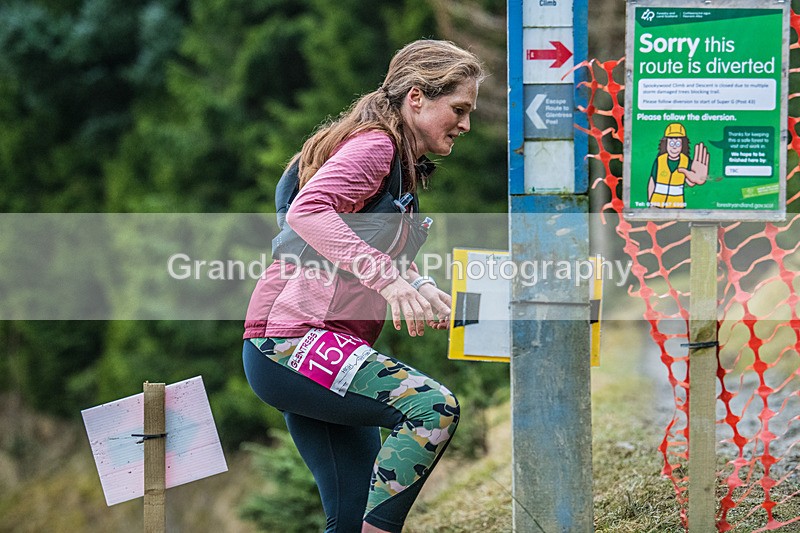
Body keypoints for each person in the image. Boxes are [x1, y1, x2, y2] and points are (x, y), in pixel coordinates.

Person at [242, 39, 485, 533]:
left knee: (350, 518)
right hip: (291, 341)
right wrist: (389, 281)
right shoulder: (377, 147)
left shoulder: (399, 168)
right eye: (458, 109)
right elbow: (309, 211)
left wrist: (419, 284)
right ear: (416, 97)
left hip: (311, 347)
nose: (465, 125)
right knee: (432, 408)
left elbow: (366, 244)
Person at [647, 122, 709, 208]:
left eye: (678, 144)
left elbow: (690, 182)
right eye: (671, 143)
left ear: (683, 145)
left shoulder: (686, 162)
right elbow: (652, 181)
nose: (674, 147)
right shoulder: (659, 160)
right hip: (656, 206)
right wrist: (650, 203)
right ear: (665, 144)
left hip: (677, 208)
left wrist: (700, 178)